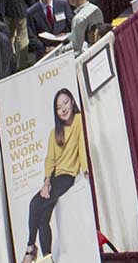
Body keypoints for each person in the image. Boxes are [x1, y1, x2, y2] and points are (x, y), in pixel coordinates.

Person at [23, 89, 90, 261]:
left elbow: (82, 147)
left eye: (66, 103)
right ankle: (47, 258)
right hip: (54, 178)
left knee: (33, 204)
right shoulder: (54, 133)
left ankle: (31, 247)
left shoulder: (79, 120)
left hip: (67, 177)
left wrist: (86, 170)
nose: (63, 109)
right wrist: (46, 181)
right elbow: (50, 159)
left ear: (73, 102)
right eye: (59, 107)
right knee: (43, 219)